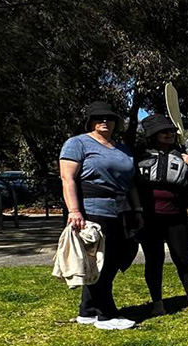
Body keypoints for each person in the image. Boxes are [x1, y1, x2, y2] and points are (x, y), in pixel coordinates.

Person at [59, 101, 140, 330]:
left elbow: (131, 183)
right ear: (90, 121)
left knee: (115, 258)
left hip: (120, 208)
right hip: (91, 209)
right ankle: (107, 315)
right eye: (99, 118)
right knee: (100, 262)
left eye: (110, 118)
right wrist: (74, 211)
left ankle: (88, 311)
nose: (105, 122)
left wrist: (138, 210)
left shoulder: (122, 148)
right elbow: (68, 178)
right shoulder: (77, 143)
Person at [132, 114, 188, 316]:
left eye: (172, 131)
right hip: (150, 217)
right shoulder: (140, 155)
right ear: (153, 134)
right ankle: (157, 302)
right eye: (165, 131)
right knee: (154, 260)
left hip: (176, 216)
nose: (170, 134)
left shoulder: (182, 156)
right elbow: (132, 185)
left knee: (183, 258)